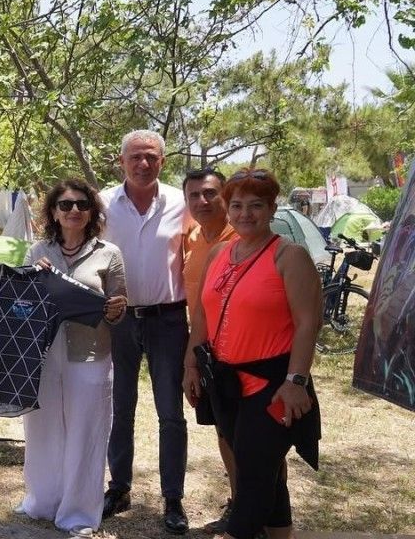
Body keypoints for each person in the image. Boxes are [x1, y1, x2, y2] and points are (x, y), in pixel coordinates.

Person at [185, 168, 322, 539]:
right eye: (238, 205)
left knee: (254, 472)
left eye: (256, 205)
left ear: (272, 208)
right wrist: (191, 364)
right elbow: (202, 315)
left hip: (273, 384)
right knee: (265, 472)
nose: (245, 214)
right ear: (228, 209)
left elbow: (308, 324)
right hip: (226, 382)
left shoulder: (289, 256)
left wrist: (296, 382)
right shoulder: (219, 253)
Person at [19, 179, 127, 537]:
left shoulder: (109, 253)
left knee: (86, 432)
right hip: (45, 354)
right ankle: (43, 501)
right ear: (54, 212)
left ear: (92, 212)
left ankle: (78, 512)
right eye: (65, 205)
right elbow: (21, 306)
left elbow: (119, 310)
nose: (74, 210)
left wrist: (115, 310)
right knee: (42, 430)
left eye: (82, 204)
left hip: (90, 354)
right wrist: (32, 281)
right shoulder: (37, 251)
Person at [98, 129, 189, 532]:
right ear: (122, 161)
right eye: (135, 156)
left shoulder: (182, 203)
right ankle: (119, 488)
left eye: (151, 156)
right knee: (120, 408)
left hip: (168, 319)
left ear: (162, 161)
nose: (143, 163)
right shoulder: (102, 204)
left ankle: (173, 498)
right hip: (118, 319)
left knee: (171, 412)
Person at [181, 168, 238, 532]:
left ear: (225, 195)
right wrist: (192, 361)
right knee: (224, 432)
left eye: (210, 193)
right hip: (209, 354)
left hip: (248, 354)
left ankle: (267, 512)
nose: (202, 201)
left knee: (256, 439)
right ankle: (240, 502)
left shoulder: (244, 237)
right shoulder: (192, 238)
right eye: (194, 195)